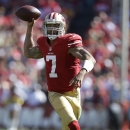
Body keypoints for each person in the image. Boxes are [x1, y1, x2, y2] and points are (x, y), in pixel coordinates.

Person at [23, 12, 96, 130]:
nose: (52, 28)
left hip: (74, 92)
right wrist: (30, 27)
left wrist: (82, 73)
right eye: (49, 25)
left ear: (63, 27)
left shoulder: (68, 42)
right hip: (55, 93)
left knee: (67, 127)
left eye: (56, 25)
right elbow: (28, 52)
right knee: (73, 125)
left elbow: (90, 59)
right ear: (45, 26)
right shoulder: (43, 43)